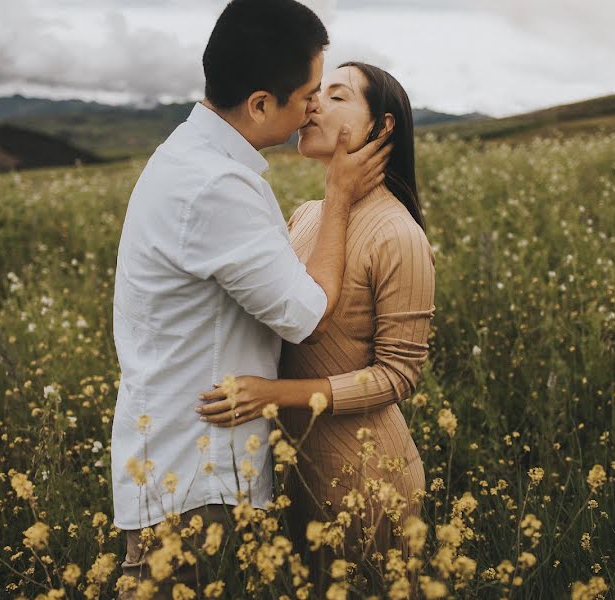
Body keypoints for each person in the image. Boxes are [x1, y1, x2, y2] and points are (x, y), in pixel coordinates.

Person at [110, 0, 391, 596]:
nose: (315, 106)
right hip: (192, 476)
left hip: (181, 465)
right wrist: (339, 196)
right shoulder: (215, 187)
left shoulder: (195, 158)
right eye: (310, 92)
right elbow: (308, 317)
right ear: (261, 103)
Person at [197, 61, 435, 583]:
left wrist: (273, 395)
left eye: (338, 96)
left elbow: (400, 375)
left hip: (368, 478)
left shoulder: (399, 235)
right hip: (295, 467)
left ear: (383, 126)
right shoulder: (307, 214)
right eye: (314, 93)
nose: (312, 105)